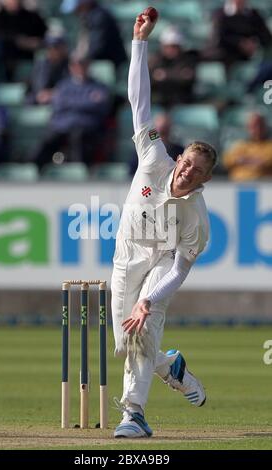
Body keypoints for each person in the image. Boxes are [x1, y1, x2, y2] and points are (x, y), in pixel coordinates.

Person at [111, 14, 218, 438]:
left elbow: (177, 271)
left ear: (205, 180)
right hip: (127, 252)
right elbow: (139, 102)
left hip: (161, 261)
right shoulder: (155, 158)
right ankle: (171, 365)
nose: (188, 173)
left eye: (198, 172)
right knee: (124, 343)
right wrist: (139, 42)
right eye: (188, 163)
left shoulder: (198, 218)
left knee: (143, 329)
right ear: (180, 158)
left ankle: (133, 413)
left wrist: (149, 300)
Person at [30, 52, 111, 168]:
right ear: (71, 67)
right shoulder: (64, 85)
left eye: (83, 64)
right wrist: (86, 102)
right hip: (62, 126)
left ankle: (80, 172)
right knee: (46, 142)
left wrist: (69, 102)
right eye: (76, 64)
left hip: (86, 127)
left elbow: (100, 106)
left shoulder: (98, 86)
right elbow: (58, 103)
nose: (79, 67)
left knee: (79, 139)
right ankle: (34, 170)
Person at [60, 0, 127, 74]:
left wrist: (80, 57)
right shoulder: (88, 16)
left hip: (112, 65)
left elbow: (96, 46)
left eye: (78, 8)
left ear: (85, 4)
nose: (76, 12)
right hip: (99, 61)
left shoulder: (100, 16)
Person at [149, 25, 199, 107]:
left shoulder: (188, 59)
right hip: (158, 101)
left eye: (175, 46)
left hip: (182, 101)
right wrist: (178, 75)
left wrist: (165, 75)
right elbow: (151, 78)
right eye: (168, 46)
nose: (171, 49)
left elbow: (188, 77)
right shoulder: (156, 60)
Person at [223, 112, 272, 181]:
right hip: (236, 187)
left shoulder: (270, 145)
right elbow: (227, 161)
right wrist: (255, 161)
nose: (257, 129)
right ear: (248, 127)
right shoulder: (239, 145)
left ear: (265, 127)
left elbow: (266, 162)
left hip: (265, 188)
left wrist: (243, 160)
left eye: (260, 125)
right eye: (254, 126)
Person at [26, 33, 69, 105]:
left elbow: (72, 86)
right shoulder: (41, 64)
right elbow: (36, 87)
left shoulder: (70, 65)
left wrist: (53, 93)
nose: (52, 50)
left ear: (63, 48)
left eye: (55, 47)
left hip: (61, 99)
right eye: (48, 47)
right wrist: (41, 94)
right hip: (40, 98)